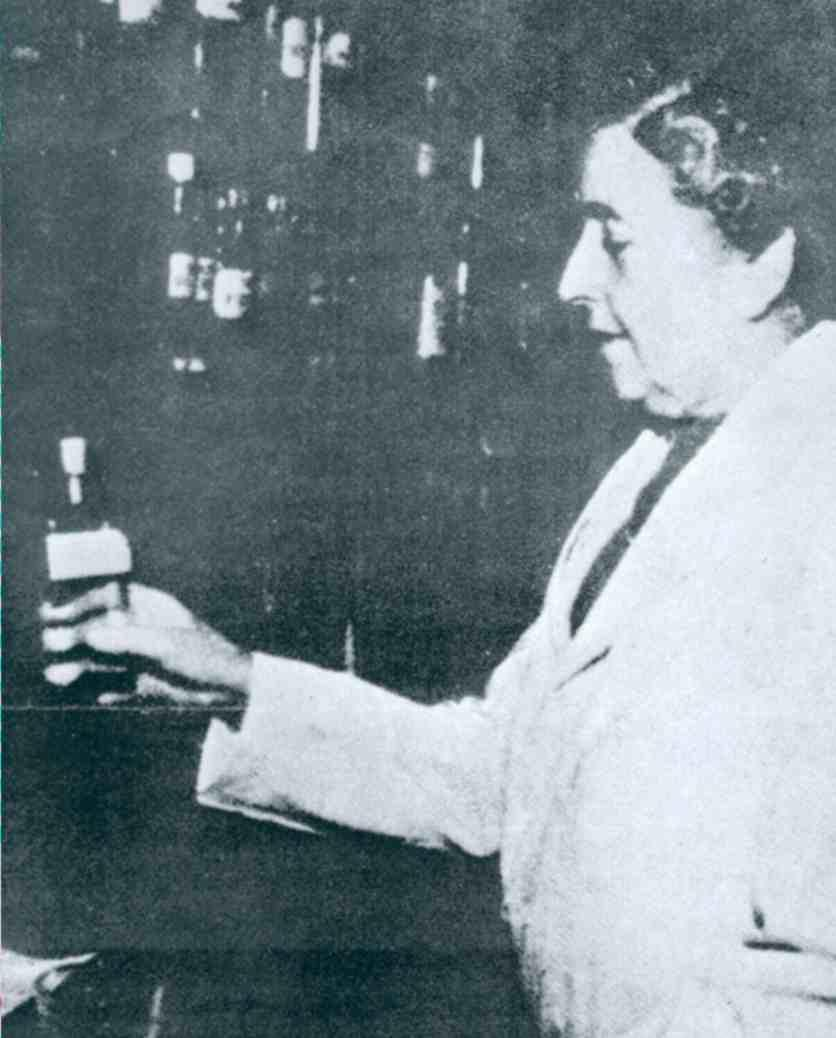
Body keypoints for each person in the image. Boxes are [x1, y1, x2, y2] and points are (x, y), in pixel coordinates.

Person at [41, 47, 836, 1037]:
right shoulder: (661, 462)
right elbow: (498, 772)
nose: (571, 279)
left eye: (613, 239)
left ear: (763, 263)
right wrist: (230, 677)